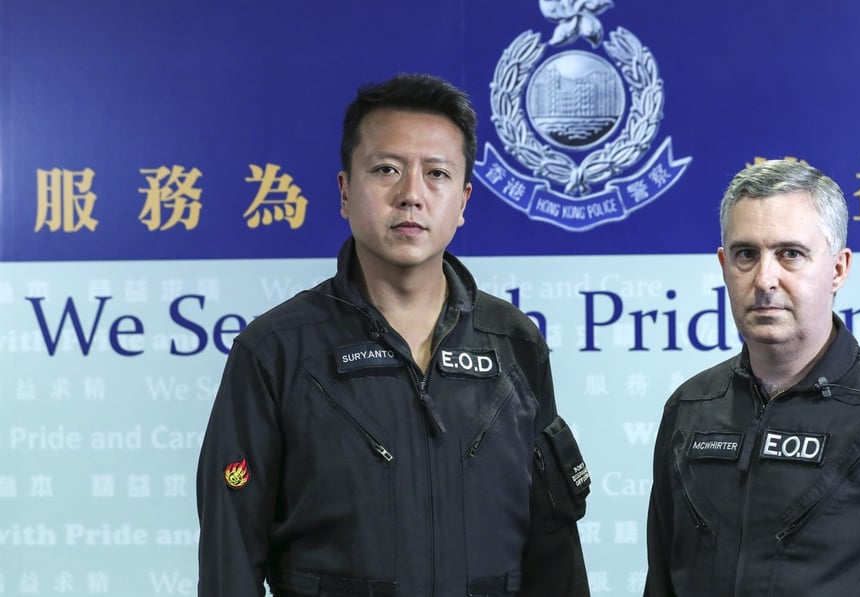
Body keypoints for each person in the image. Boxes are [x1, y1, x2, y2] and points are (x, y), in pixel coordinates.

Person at [197, 73, 591, 597]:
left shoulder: (513, 343)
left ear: (463, 201)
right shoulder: (277, 350)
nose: (411, 196)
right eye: (386, 170)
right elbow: (230, 558)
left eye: (436, 174)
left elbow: (554, 549)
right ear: (344, 191)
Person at [644, 160, 860, 596]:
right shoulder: (690, 409)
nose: (765, 279)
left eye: (790, 254)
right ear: (723, 265)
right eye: (746, 254)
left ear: (838, 269)